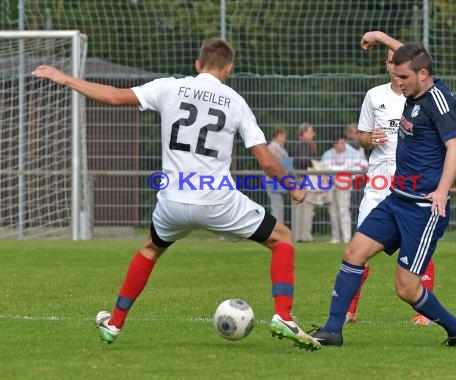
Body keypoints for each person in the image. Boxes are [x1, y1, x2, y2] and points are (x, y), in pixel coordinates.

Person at [32, 37, 321, 351]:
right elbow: (266, 160)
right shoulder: (235, 101)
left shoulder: (168, 87)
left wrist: (64, 78)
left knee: (149, 250)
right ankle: (283, 315)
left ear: (197, 65)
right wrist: (294, 188)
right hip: (216, 200)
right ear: (229, 69)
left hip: (172, 201)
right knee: (282, 238)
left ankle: (114, 323)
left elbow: (115, 97)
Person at [311, 30, 456, 347]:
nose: (398, 82)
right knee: (354, 252)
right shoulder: (414, 86)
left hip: (424, 209)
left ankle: (455, 327)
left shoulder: (437, 102)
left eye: (403, 77)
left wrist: (441, 191)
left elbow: (455, 148)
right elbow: (411, 58)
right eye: (396, 75)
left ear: (422, 75)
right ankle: (332, 330)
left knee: (406, 289)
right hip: (397, 199)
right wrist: (381, 38)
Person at [345, 47, 437, 327]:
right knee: (358, 244)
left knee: (419, 245)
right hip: (379, 178)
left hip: (409, 177)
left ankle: (424, 313)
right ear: (387, 66)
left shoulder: (420, 96)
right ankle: (349, 310)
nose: (396, 69)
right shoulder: (374, 95)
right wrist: (369, 138)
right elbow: (360, 137)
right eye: (390, 62)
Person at [320, 134, 367, 244]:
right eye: (341, 143)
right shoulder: (327, 155)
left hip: (344, 184)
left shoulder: (352, 153)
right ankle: (335, 237)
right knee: (333, 211)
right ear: (334, 145)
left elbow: (363, 165)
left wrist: (343, 173)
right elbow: (322, 169)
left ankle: (346, 237)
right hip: (330, 185)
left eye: (344, 142)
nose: (343, 145)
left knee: (344, 210)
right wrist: (342, 170)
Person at [293, 122, 318, 242]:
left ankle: (299, 236)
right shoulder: (305, 144)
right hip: (305, 178)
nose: (313, 134)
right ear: (303, 133)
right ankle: (305, 236)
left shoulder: (301, 144)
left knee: (301, 208)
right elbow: (302, 161)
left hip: (300, 178)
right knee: (307, 208)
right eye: (310, 131)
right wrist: (313, 164)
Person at [266, 127, 292, 222]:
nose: (284, 139)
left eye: (284, 136)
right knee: (277, 207)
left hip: (278, 181)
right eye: (282, 136)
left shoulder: (280, 148)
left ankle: (278, 230)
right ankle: (275, 231)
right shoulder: (272, 147)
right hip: (273, 181)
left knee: (279, 207)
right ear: (275, 136)